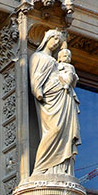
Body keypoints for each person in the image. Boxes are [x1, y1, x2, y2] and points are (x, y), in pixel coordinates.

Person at [30, 29, 81, 176]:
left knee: (65, 131)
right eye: (54, 39)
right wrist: (38, 91)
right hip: (50, 97)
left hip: (64, 96)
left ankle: (61, 167)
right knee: (54, 129)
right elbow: (36, 77)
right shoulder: (37, 56)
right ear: (47, 39)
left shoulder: (57, 62)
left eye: (59, 41)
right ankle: (41, 167)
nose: (56, 43)